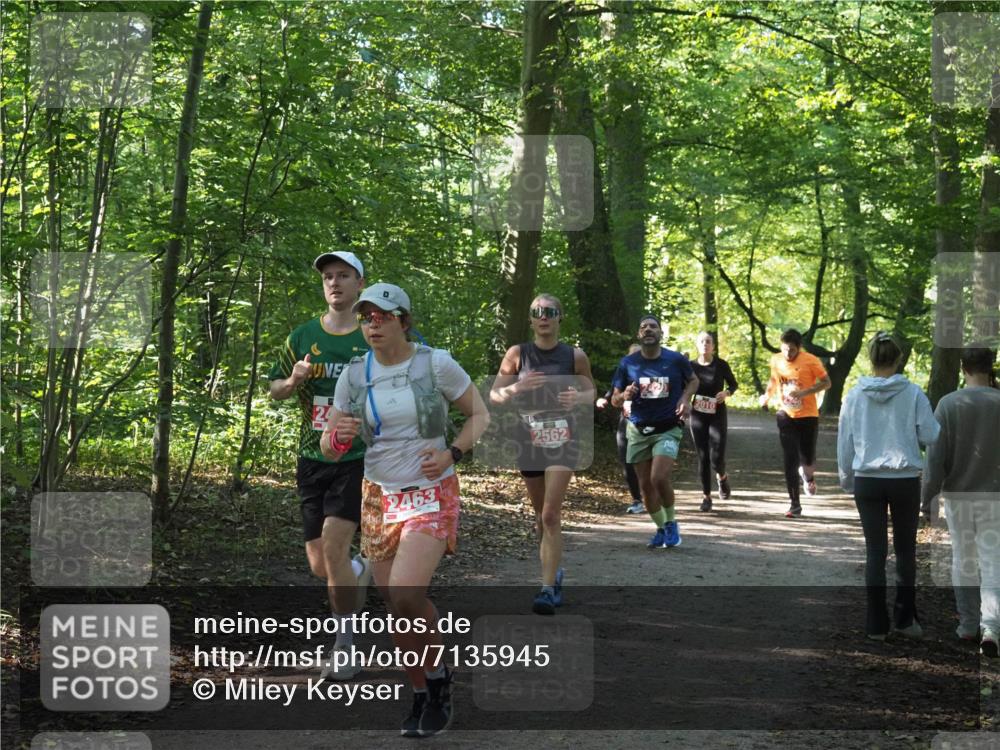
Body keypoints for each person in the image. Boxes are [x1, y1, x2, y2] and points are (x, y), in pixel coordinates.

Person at [322, 283, 489, 736]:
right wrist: (340, 436)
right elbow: (329, 444)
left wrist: (452, 452)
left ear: (402, 320)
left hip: (432, 490)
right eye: (365, 317)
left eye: (381, 316)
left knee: (407, 591)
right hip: (378, 495)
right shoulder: (354, 376)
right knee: (397, 605)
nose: (372, 324)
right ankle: (423, 690)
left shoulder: (435, 363)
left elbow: (480, 414)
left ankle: (437, 681)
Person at [267, 250, 372, 681]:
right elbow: (276, 389)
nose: (334, 283)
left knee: (332, 549)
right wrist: (293, 381)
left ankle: (344, 645)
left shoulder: (373, 333)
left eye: (343, 275)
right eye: (328, 277)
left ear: (359, 284)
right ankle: (359, 568)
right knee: (321, 565)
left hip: (357, 458)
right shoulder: (303, 335)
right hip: (312, 458)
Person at [490, 294, 595, 616]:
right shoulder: (518, 354)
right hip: (528, 436)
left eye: (550, 312)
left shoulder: (574, 356)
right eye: (537, 312)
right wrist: (516, 389)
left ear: (560, 317)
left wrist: (576, 398)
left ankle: (547, 589)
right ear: (531, 319)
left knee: (550, 514)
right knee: (539, 517)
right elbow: (494, 395)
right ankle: (553, 570)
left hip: (563, 437)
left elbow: (592, 392)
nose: (543, 317)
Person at [837, 332, 940, 641]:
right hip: (905, 480)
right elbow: (931, 436)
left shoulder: (854, 396)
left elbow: (846, 442)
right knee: (906, 552)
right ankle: (905, 619)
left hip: (867, 481)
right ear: (898, 359)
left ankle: (875, 625)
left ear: (871, 358)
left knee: (875, 552)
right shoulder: (913, 394)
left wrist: (846, 479)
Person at [922, 347, 1000, 657]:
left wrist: (927, 496)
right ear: (989, 367)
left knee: (964, 558)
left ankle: (968, 625)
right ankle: (992, 627)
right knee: (994, 560)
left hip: (958, 495)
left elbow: (935, 457)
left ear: (963, 368)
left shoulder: (948, 404)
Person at [611, 315, 699, 548]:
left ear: (660, 333)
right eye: (643, 327)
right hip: (638, 429)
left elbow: (693, 380)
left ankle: (671, 523)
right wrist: (624, 396)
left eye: (653, 327)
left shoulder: (676, 360)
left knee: (658, 477)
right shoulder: (628, 363)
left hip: (668, 428)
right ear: (639, 335)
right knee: (645, 486)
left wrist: (685, 398)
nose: (648, 330)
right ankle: (660, 528)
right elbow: (614, 399)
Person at [758, 329, 832, 517]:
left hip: (808, 415)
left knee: (807, 458)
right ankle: (794, 504)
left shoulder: (811, 360)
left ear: (799, 347)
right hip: (786, 414)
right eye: (784, 349)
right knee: (790, 457)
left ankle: (808, 477)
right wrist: (766, 397)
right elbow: (774, 381)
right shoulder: (776, 360)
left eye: (791, 350)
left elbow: (827, 383)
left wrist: (804, 393)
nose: (787, 354)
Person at [688, 332, 739, 512]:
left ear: (713, 346)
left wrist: (726, 393)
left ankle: (722, 477)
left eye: (708, 342)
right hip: (698, 414)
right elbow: (683, 387)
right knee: (703, 456)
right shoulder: (690, 366)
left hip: (717, 413)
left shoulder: (721, 364)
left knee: (717, 456)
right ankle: (706, 497)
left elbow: (733, 384)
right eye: (701, 341)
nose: (705, 344)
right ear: (697, 345)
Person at [596, 344, 644, 515]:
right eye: (632, 355)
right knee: (626, 461)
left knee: (647, 461)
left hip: (647, 425)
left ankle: (651, 492)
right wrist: (604, 399)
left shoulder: (651, 373)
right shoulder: (624, 372)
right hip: (626, 423)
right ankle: (637, 499)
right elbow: (613, 391)